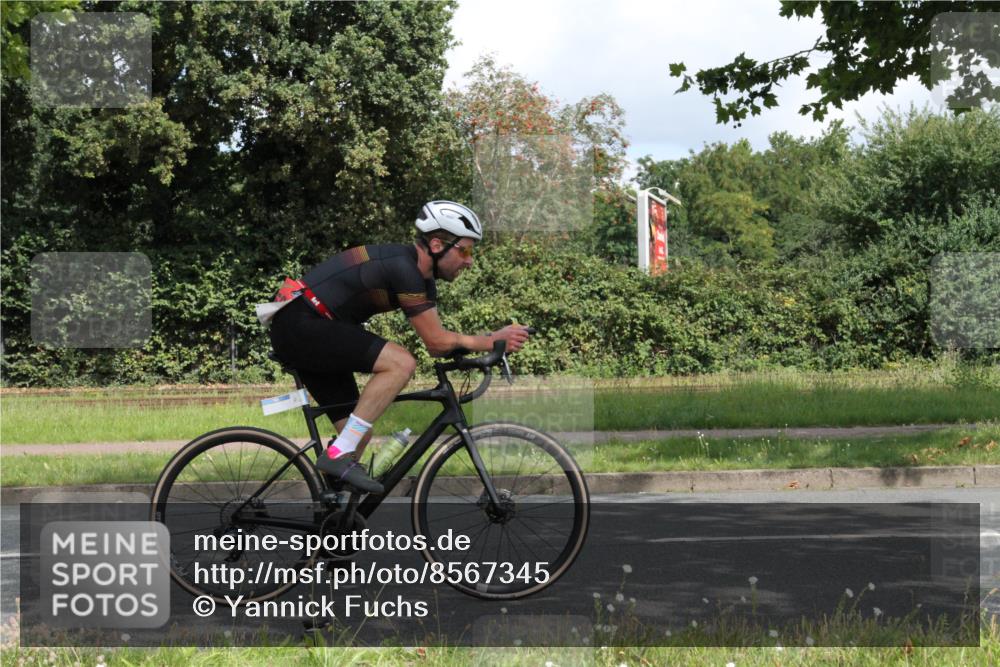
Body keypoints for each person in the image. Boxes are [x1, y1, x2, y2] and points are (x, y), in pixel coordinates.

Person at [266, 201, 531, 494]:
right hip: (301, 323)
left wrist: (478, 349)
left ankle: (333, 517)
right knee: (400, 363)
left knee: (357, 434)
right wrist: (490, 339)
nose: (469, 261)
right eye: (465, 250)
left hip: (313, 329)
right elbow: (436, 340)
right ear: (436, 244)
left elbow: (438, 345)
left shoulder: (424, 281)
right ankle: (337, 456)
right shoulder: (401, 266)